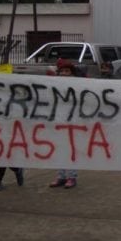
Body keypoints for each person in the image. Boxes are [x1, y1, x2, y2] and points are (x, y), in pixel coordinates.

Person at [49, 58, 80, 189]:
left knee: (71, 150)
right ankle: (61, 176)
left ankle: (71, 177)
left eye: (67, 71)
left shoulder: (77, 84)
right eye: (62, 71)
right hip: (59, 121)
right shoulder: (55, 84)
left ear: (72, 73)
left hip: (72, 122)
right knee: (60, 149)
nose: (65, 73)